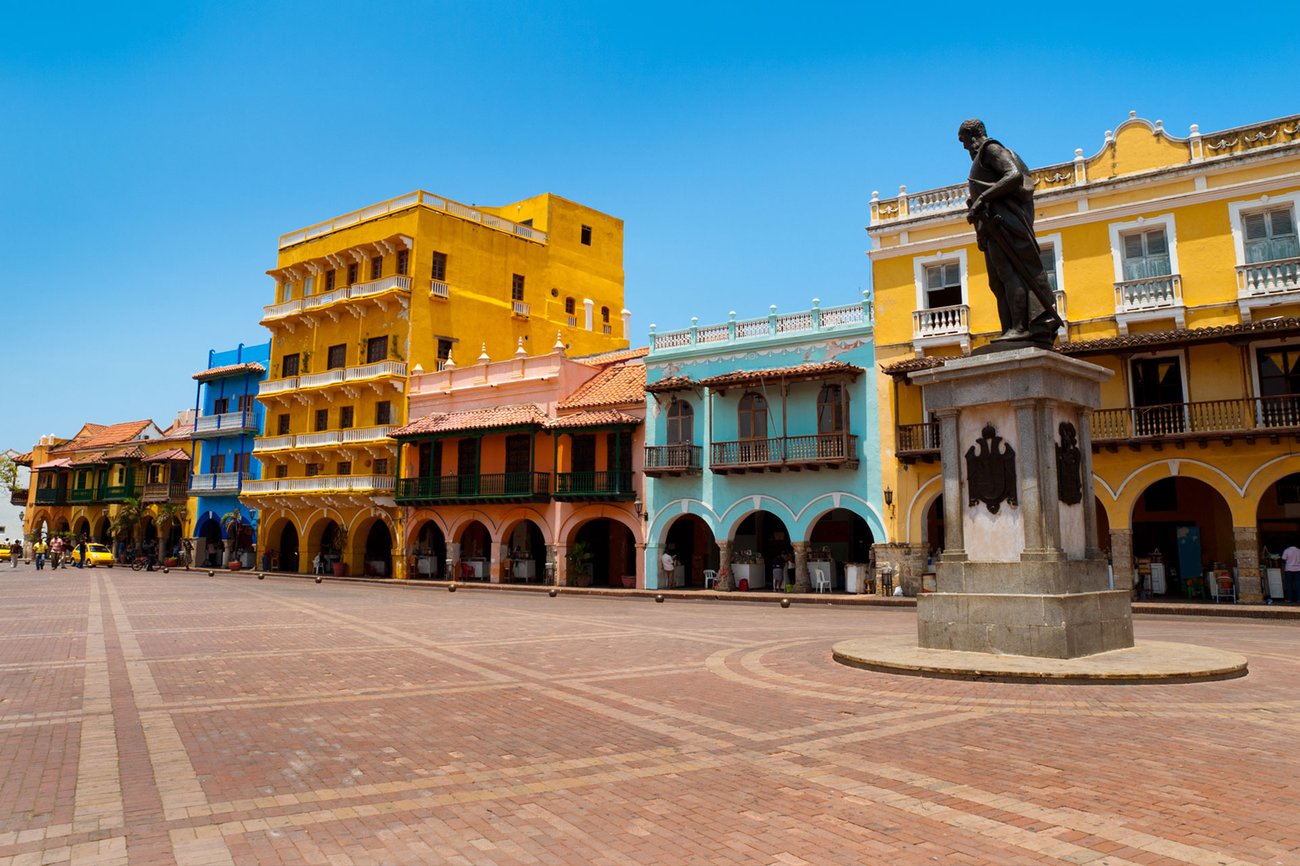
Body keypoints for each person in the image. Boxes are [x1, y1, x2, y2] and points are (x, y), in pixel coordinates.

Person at [959, 118, 1062, 349]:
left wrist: (983, 198)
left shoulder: (991, 149)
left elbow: (1013, 175)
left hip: (1005, 224)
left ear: (974, 136)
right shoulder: (981, 157)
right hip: (992, 227)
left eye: (964, 141)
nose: (965, 147)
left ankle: (1021, 329)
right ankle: (1009, 330)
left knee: (1009, 273)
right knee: (997, 282)